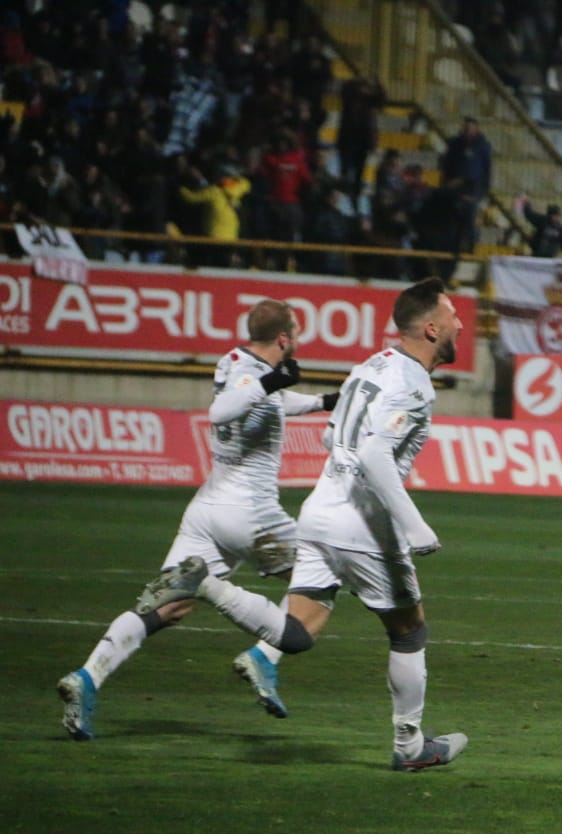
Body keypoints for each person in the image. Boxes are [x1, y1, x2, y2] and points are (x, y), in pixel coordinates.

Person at [137, 278, 468, 772]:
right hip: (363, 524)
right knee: (409, 632)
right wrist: (415, 526)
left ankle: (206, 583)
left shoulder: (371, 365)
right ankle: (410, 746)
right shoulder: (414, 383)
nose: (462, 323)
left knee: (297, 631)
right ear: (431, 327)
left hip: (318, 511)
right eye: (454, 315)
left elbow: (337, 432)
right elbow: (375, 454)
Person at [56, 299, 338, 740]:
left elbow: (269, 400)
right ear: (284, 338)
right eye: (296, 334)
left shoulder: (237, 363)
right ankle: (264, 657)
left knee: (166, 607)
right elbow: (222, 411)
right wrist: (271, 381)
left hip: (207, 511)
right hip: (252, 516)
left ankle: (87, 677)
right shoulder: (252, 377)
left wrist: (325, 401)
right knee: (322, 579)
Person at [440, 116, 493, 255]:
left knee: (470, 224)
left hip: (473, 191)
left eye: (470, 129)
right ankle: (449, 251)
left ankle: (469, 251)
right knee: (451, 222)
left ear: (476, 130)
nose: (467, 131)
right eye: (465, 128)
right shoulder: (454, 145)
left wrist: (483, 192)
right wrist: (446, 185)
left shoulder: (483, 146)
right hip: (454, 190)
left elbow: (487, 171)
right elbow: (446, 166)